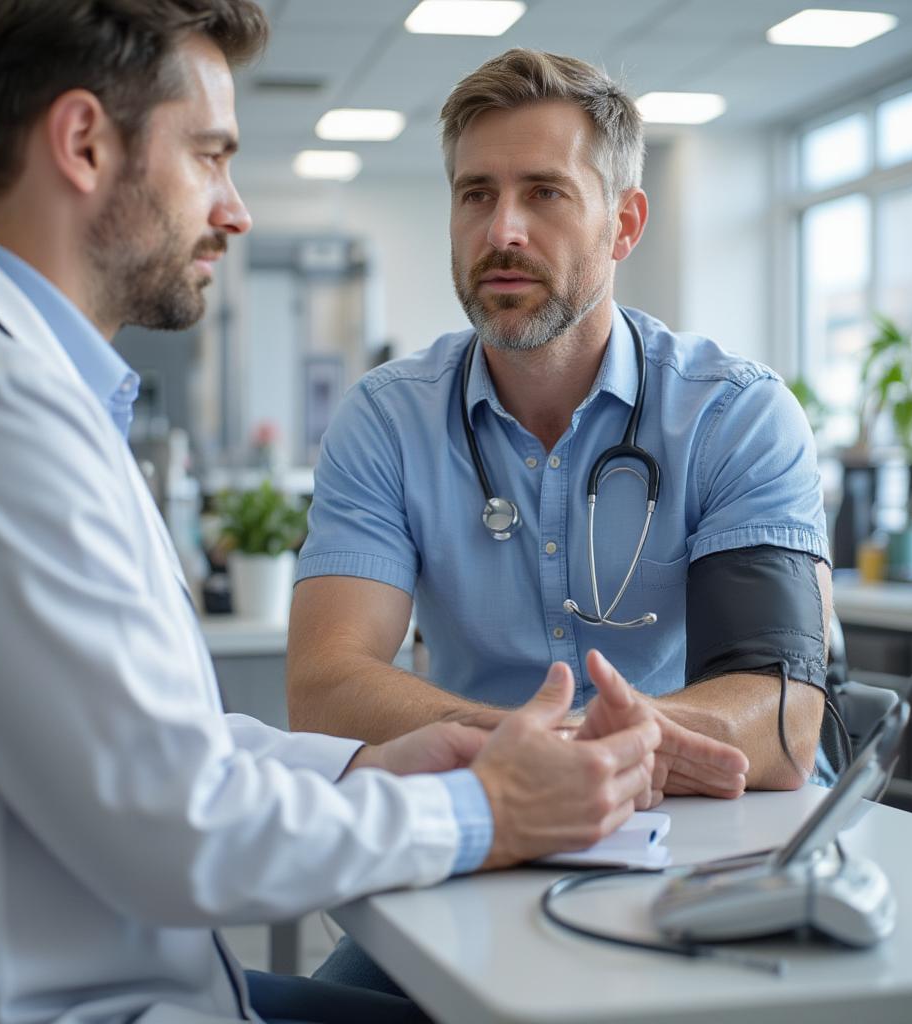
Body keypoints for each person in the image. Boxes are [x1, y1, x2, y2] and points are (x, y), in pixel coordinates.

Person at [0, 7, 677, 1024]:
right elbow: (182, 830)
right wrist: (483, 809)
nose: (235, 209)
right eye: (211, 156)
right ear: (83, 142)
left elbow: (149, 746)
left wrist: (367, 763)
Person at [286, 49, 832, 989]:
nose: (502, 230)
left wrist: (567, 756)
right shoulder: (388, 420)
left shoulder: (732, 413)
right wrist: (526, 754)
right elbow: (326, 686)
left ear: (624, 223)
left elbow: (781, 721)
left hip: (721, 853)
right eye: (475, 195)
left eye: (545, 194)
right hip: (486, 838)